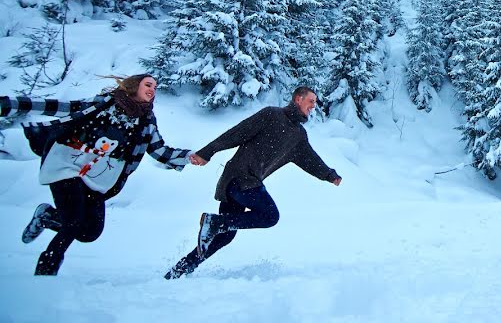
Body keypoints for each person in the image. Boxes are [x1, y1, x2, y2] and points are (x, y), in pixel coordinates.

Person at [0, 74, 193, 275]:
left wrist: (191, 156)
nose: (153, 89)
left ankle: (48, 216)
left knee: (89, 231)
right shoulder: (103, 104)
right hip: (68, 165)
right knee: (73, 221)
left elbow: (159, 151)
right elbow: (59, 106)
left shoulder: (146, 120)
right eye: (148, 84)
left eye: (155, 86)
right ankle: (46, 271)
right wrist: (8, 105)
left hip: (98, 178)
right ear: (135, 86)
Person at [165, 85, 341, 279]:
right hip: (240, 178)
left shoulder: (298, 136)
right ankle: (214, 221)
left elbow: (310, 159)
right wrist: (208, 151)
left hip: (247, 183)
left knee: (225, 235)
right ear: (298, 99)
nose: (313, 106)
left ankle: (178, 272)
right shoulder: (272, 115)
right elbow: (237, 133)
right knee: (269, 215)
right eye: (311, 101)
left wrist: (329, 175)